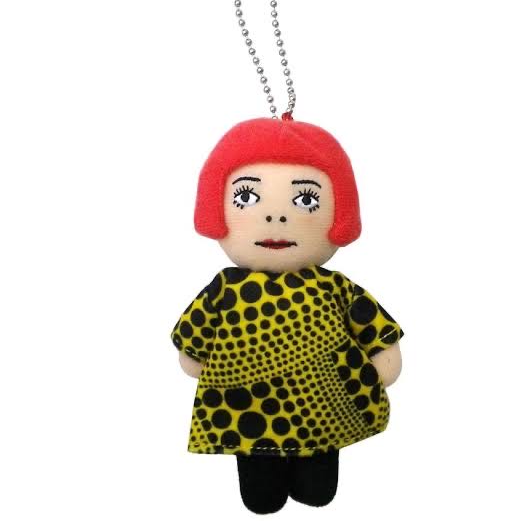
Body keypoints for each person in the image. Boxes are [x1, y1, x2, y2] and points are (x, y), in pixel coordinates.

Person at [171, 117, 404, 514]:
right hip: (247, 407)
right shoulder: (225, 288)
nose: (275, 217)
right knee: (260, 491)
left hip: (325, 407)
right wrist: (195, 354)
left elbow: (370, 325)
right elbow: (195, 339)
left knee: (318, 490)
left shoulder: (334, 287)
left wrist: (382, 355)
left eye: (306, 200)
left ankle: (310, 474)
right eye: (247, 197)